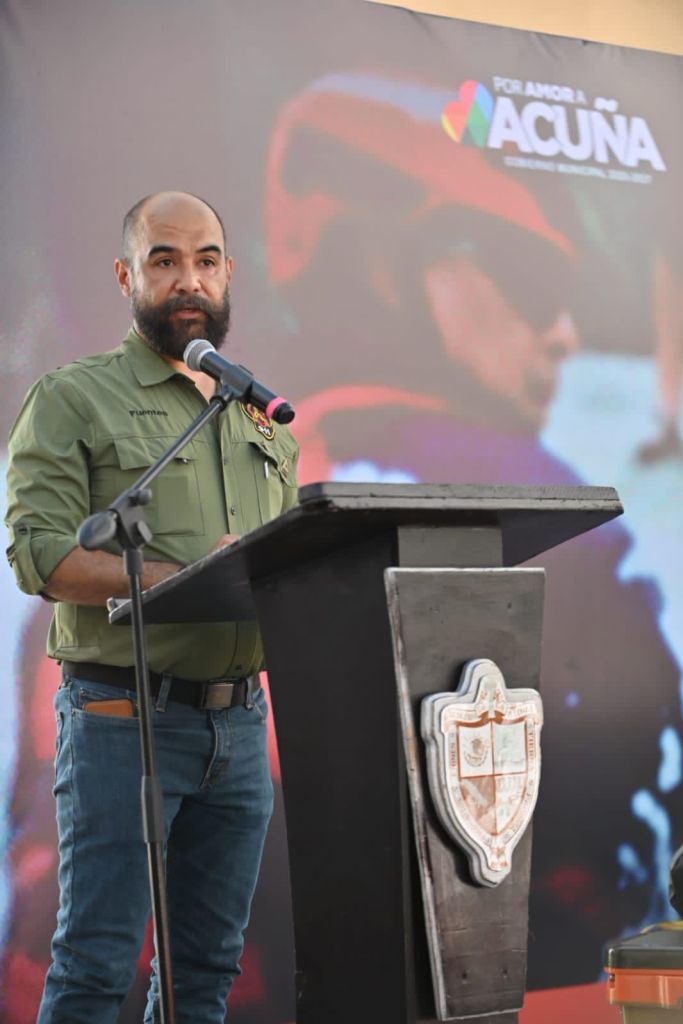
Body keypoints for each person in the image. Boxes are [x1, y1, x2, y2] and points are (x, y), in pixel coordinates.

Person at [261, 71, 683, 987]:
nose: (563, 334)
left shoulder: (264, 474)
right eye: (529, 282)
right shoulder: (546, 514)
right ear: (379, 266)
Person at [5, 190, 299, 1023]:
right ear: (126, 275)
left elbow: (283, 562)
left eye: (204, 261)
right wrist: (182, 573)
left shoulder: (263, 422)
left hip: (239, 728)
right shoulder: (74, 398)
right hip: (121, 721)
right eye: (163, 260)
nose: (187, 280)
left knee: (204, 974)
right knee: (95, 966)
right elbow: (40, 556)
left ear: (228, 273)